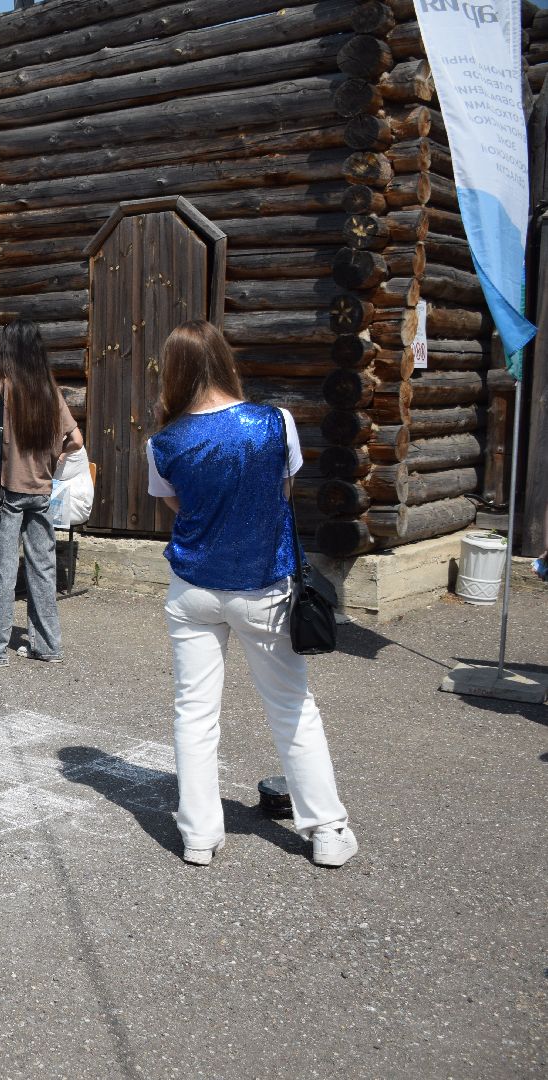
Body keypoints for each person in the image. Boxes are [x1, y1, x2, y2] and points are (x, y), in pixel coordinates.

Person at [146, 320, 356, 869]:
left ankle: (199, 836)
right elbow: (283, 492)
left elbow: (176, 506)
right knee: (291, 707)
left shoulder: (162, 441)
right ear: (224, 358)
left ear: (173, 371)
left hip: (193, 586)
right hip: (263, 583)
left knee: (194, 712)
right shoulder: (274, 422)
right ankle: (327, 830)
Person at [0, 322, 82, 667]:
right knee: (43, 568)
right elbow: (77, 440)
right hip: (42, 491)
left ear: (9, 351)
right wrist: (55, 457)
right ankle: (47, 646)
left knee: (5, 571)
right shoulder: (49, 389)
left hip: (8, 492)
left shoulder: (2, 385)